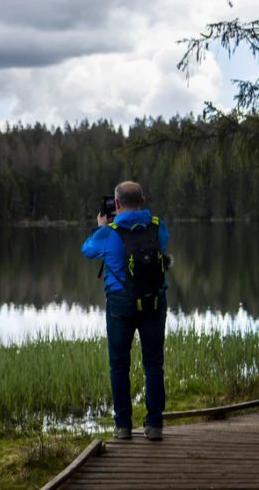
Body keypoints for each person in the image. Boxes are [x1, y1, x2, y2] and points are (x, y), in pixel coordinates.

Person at [81, 181, 169, 441]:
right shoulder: (157, 225)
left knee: (119, 365)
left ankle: (123, 427)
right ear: (142, 200)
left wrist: (101, 227)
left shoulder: (109, 232)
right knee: (154, 364)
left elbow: (87, 250)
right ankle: (154, 426)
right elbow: (163, 243)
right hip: (154, 301)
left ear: (116, 205)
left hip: (120, 304)